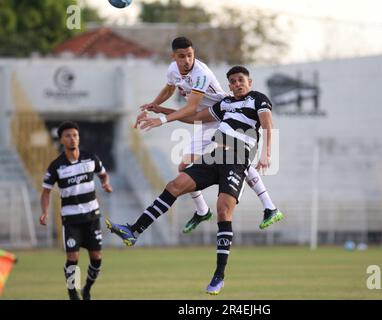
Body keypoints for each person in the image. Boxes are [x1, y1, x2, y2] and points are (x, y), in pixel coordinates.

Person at [106, 66, 276, 295]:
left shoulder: (258, 99)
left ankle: (219, 275)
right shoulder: (225, 104)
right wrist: (161, 111)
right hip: (214, 155)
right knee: (174, 185)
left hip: (237, 159)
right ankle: (134, 231)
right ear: (229, 85)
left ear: (250, 82)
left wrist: (266, 154)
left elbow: (266, 125)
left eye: (240, 80)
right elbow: (194, 117)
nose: (237, 84)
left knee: (223, 212)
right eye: (233, 81)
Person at [135, 36, 283, 233]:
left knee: (236, 156)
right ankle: (203, 211)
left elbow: (191, 109)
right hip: (206, 118)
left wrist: (161, 119)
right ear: (174, 57)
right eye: (182, 56)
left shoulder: (201, 74)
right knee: (184, 166)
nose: (187, 60)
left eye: (190, 55)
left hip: (221, 116)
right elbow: (170, 89)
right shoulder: (172, 70)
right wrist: (156, 105)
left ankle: (269, 206)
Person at [40, 121, 113, 300]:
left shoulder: (90, 158)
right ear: (61, 140)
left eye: (75, 135)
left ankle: (87, 288)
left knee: (97, 258)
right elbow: (46, 191)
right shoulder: (56, 166)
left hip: (92, 216)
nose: (72, 139)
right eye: (68, 136)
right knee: (73, 258)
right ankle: (73, 293)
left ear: (79, 138)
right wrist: (45, 211)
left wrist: (105, 183)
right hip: (71, 219)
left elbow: (102, 173)